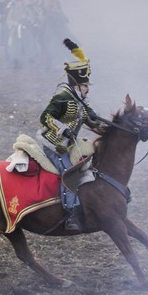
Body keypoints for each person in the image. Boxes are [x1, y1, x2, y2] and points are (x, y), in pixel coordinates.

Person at [38, 38, 104, 231]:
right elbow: (45, 117)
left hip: (71, 141)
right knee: (69, 172)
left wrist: (94, 118)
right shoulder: (62, 97)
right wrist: (63, 129)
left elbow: (85, 115)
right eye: (85, 85)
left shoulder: (80, 99)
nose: (88, 88)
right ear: (77, 86)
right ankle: (71, 214)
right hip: (54, 141)